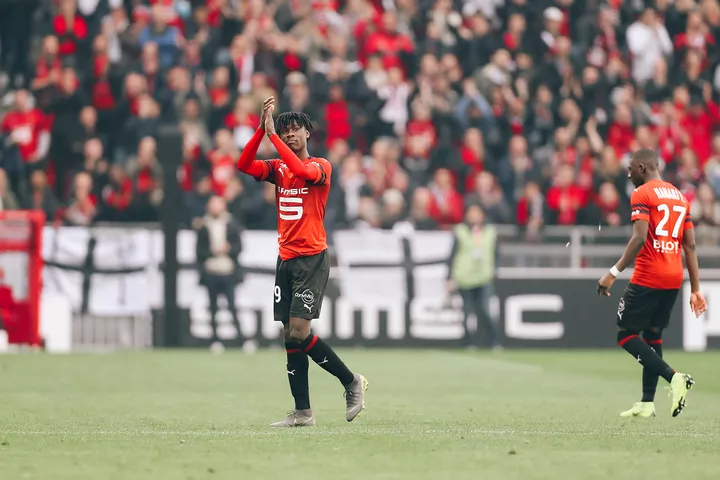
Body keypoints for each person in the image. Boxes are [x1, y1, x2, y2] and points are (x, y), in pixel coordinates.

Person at [236, 97, 367, 427]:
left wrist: (273, 137)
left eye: (295, 129)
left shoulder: (321, 166)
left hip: (311, 259)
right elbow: (244, 164)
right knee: (289, 335)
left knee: (299, 330)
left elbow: (300, 170)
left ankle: (351, 381)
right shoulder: (278, 168)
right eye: (284, 131)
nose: (290, 134)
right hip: (286, 259)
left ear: (308, 133)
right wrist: (260, 131)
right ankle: (302, 412)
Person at [597, 148, 707, 418]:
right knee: (653, 335)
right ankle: (647, 402)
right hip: (673, 276)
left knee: (626, 335)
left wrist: (613, 272)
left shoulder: (642, 193)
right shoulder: (680, 196)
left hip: (649, 274)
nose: (628, 174)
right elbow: (690, 247)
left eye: (630, 169)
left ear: (642, 168)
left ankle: (674, 377)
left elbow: (639, 238)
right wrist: (695, 289)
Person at [446, 204, 502, 349]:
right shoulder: (460, 231)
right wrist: (449, 277)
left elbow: (496, 254)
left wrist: (495, 271)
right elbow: (452, 255)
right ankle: (468, 341)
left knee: (484, 309)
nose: (474, 216)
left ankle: (493, 340)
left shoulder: (490, 232)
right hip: (464, 277)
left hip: (484, 276)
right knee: (467, 311)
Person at [196, 195, 244, 350]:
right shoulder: (203, 225)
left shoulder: (232, 224)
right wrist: (212, 251)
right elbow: (199, 251)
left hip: (228, 271)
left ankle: (242, 340)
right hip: (211, 271)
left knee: (232, 306)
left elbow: (239, 247)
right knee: (212, 308)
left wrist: (229, 248)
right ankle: (215, 340)